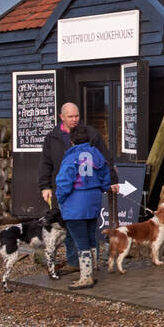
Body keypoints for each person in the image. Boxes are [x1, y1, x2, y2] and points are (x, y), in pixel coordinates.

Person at [38, 102, 119, 273]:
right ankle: (79, 263)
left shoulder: (89, 134)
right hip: (83, 192)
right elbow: (45, 162)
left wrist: (112, 180)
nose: (74, 119)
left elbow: (106, 159)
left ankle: (86, 271)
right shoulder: (52, 137)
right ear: (61, 117)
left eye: (76, 116)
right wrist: (44, 185)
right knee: (77, 230)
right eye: (70, 117)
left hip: (74, 193)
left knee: (82, 231)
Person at [55, 124, 109, 290]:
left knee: (81, 241)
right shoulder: (97, 154)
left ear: (71, 141)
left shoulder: (71, 157)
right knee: (91, 237)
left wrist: (60, 198)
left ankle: (86, 277)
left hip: (75, 204)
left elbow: (64, 181)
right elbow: (106, 177)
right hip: (93, 202)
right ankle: (93, 271)